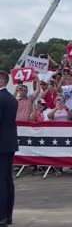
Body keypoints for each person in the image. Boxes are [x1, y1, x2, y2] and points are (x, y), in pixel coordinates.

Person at [0, 70, 19, 226]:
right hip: (8, 143)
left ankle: (2, 216)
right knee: (7, 180)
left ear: (1, 81)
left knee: (2, 181)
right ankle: (7, 215)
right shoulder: (11, 98)